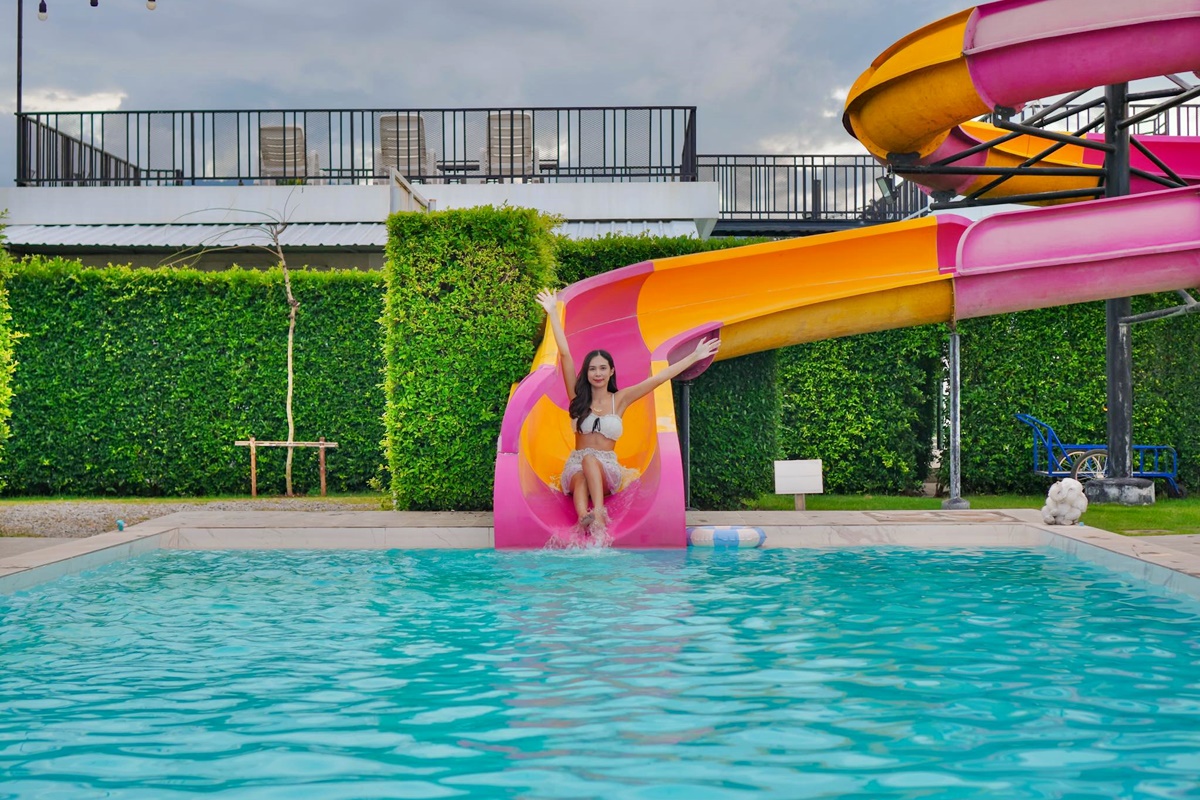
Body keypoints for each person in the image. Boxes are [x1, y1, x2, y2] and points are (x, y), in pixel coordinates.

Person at [536, 288, 721, 534]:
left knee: (590, 460)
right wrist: (553, 313)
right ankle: (583, 518)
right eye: (593, 369)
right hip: (576, 465)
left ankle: (598, 512)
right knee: (580, 475)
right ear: (586, 373)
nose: (598, 373)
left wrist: (694, 356)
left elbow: (658, 379)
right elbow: (565, 354)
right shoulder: (577, 399)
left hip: (607, 468)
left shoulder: (620, 399)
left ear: (611, 371)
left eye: (603, 368)